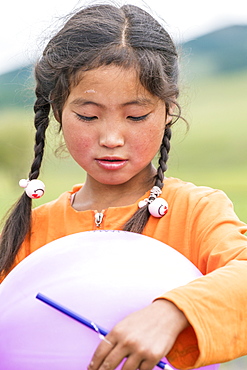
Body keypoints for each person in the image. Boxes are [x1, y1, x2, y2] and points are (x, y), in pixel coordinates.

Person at [0, 3, 247, 370]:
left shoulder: (197, 211)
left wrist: (172, 312)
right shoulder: (35, 230)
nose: (112, 137)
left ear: (167, 111)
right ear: (57, 111)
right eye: (88, 115)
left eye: (136, 115)